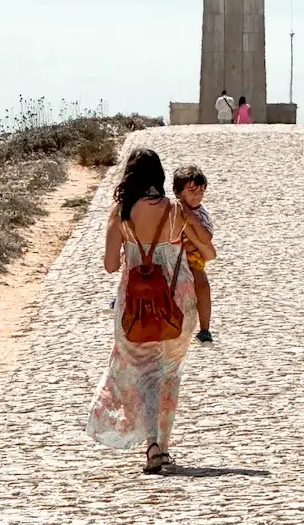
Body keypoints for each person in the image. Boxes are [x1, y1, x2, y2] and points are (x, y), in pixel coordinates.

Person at [87, 148, 216, 474]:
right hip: (178, 303)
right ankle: (164, 445)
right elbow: (208, 252)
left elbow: (110, 265)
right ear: (159, 176)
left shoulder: (121, 212)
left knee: (145, 375)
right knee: (168, 374)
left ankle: (152, 446)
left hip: (134, 306)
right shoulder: (175, 212)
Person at [173, 165, 215, 344]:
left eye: (201, 191)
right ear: (178, 192)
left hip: (192, 257)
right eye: (191, 191)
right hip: (170, 253)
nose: (197, 196)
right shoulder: (170, 209)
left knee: (203, 285)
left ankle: (205, 328)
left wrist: (192, 220)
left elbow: (206, 238)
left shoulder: (202, 214)